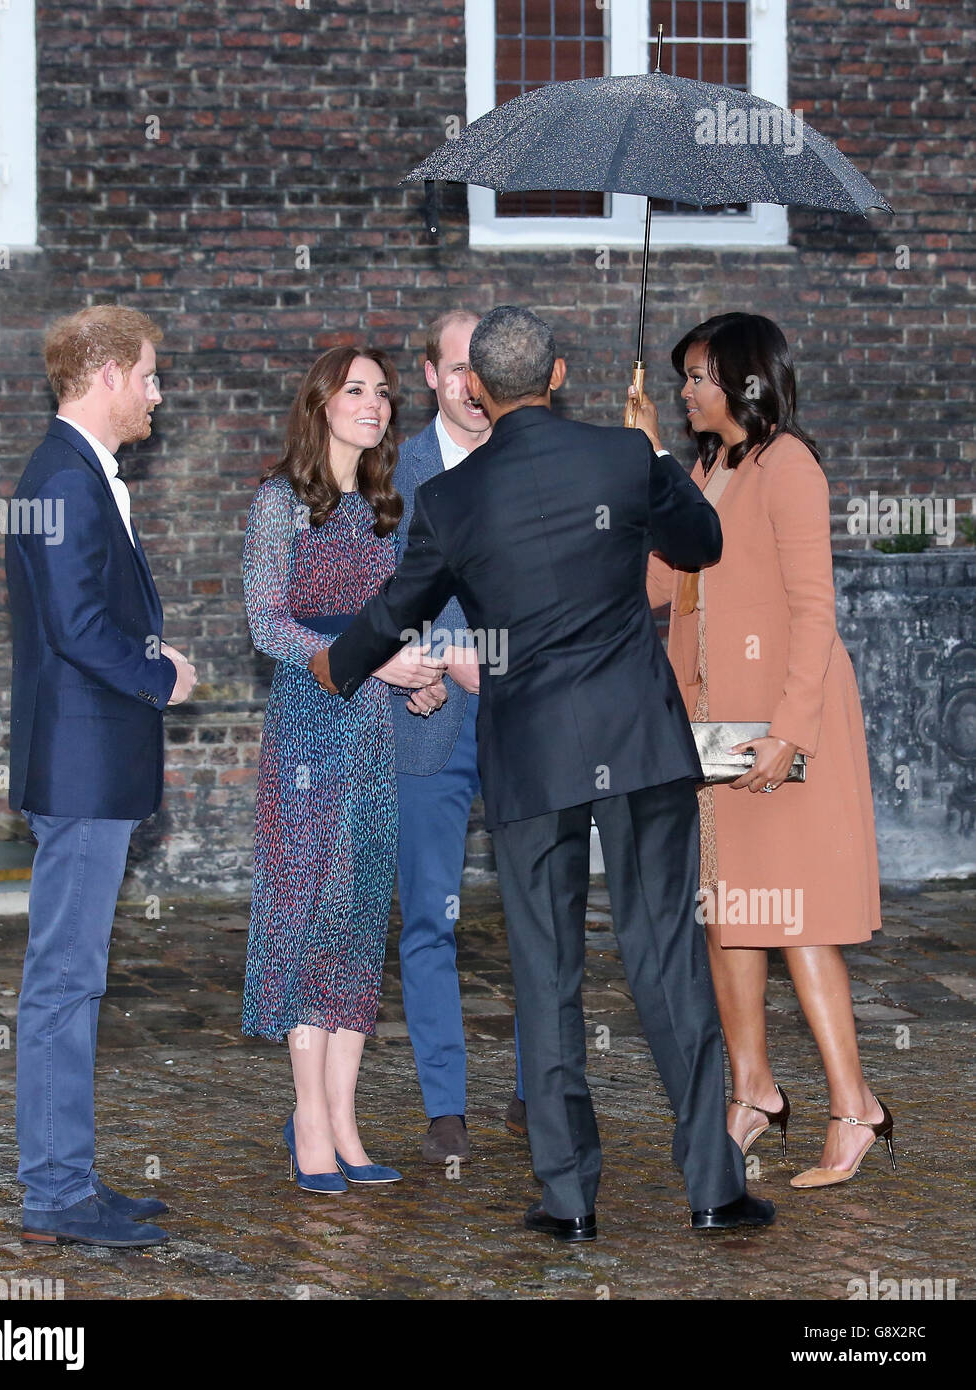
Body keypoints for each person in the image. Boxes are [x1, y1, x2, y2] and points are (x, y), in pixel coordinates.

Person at [310, 306, 774, 1239]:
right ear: (559, 373)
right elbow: (699, 546)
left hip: (531, 757)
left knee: (546, 973)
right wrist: (650, 459)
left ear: (476, 387)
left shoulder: (452, 500)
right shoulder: (622, 456)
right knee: (665, 963)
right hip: (639, 744)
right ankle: (714, 1190)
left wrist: (336, 664)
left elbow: (399, 606)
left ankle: (567, 1202)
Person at [637, 312, 893, 1189]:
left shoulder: (789, 466)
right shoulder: (708, 468)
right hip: (709, 726)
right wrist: (653, 477)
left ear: (742, 381)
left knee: (795, 917)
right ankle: (751, 1092)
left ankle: (854, 1103)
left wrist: (790, 730)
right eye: (682, 380)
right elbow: (660, 584)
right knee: (727, 912)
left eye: (698, 377)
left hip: (785, 722)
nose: (685, 393)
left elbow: (814, 610)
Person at [7, 304, 197, 1247]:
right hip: (81, 770)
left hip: (91, 765)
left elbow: (83, 617)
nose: (158, 394)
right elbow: (79, 627)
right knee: (63, 982)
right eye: (152, 375)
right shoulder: (64, 478)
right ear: (110, 372)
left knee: (75, 980)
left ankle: (68, 1179)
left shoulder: (78, 475)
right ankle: (53, 1194)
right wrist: (160, 675)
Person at [242, 346, 446, 1194]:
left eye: (382, 392)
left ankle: (347, 1122)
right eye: (355, 390)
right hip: (305, 731)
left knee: (359, 925)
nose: (373, 402)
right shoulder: (279, 502)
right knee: (305, 919)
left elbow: (399, 622)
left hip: (373, 735)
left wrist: (418, 674)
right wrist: (364, 661)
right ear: (321, 402)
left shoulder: (391, 508)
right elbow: (267, 625)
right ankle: (310, 1124)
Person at [392, 309, 525, 1164]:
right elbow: (368, 594)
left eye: (483, 369)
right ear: (431, 377)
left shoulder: (534, 457)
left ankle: (535, 1088)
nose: (470, 384)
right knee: (429, 914)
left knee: (533, 911)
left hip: (524, 718)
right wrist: (432, 653)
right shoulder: (390, 471)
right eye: (454, 368)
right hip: (428, 717)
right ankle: (445, 1103)